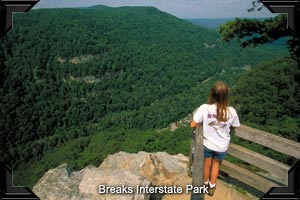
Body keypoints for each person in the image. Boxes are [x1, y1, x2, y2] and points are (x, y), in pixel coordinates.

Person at [190, 81, 240, 196]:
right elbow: (235, 125)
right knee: (216, 164)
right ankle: (212, 186)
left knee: (206, 164)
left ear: (211, 94)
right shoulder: (231, 111)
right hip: (222, 145)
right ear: (226, 96)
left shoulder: (204, 108)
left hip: (207, 144)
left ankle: (205, 183)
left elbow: (193, 124)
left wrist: (202, 124)